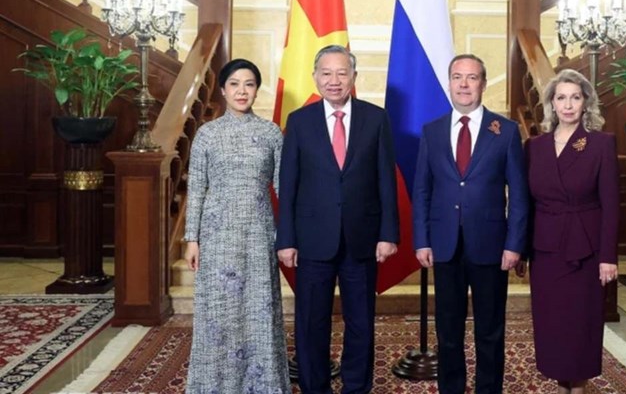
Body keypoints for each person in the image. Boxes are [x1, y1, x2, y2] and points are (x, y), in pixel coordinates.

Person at [276, 45, 399, 394]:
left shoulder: (376, 119)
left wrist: (388, 233)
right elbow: (290, 183)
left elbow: (385, 181)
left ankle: (356, 387)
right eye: (326, 73)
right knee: (311, 323)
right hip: (312, 239)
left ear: (354, 78)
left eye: (342, 73)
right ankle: (316, 388)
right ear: (315, 77)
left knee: (360, 322)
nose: (334, 80)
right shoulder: (299, 122)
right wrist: (285, 239)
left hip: (362, 239)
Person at [413, 54, 528, 394]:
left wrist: (514, 244)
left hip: (491, 246)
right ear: (449, 82)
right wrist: (422, 239)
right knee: (448, 332)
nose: (464, 84)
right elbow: (422, 189)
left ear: (483, 82)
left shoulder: (505, 131)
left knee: (490, 331)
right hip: (444, 245)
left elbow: (519, 194)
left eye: (472, 77)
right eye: (457, 77)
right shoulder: (431, 131)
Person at [183, 59, 291, 393]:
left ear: (257, 89)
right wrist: (191, 239)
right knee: (220, 313)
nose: (242, 91)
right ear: (223, 90)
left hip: (259, 234)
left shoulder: (271, 132)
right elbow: (196, 187)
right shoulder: (207, 134)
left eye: (249, 84)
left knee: (258, 311)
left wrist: (287, 236)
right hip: (216, 236)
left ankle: (263, 385)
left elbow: (284, 189)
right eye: (234, 84)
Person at [523, 68, 620, 394]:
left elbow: (611, 205)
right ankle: (560, 384)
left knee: (579, 326)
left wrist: (608, 257)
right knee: (553, 326)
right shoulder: (534, 146)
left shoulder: (599, 144)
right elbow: (526, 203)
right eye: (561, 97)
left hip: (585, 251)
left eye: (575, 98)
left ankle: (577, 388)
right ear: (551, 103)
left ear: (585, 103)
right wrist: (522, 250)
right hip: (546, 250)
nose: (568, 105)